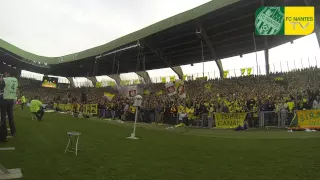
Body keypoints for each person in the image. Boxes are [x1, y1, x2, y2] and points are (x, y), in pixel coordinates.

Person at [1, 72, 18, 137]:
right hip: (11, 99)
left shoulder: (6, 79)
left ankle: (3, 133)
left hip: (5, 99)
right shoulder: (15, 79)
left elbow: (1, 81)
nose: (5, 74)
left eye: (6, 73)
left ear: (8, 73)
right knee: (11, 116)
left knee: (3, 116)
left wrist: (2, 76)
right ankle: (13, 132)